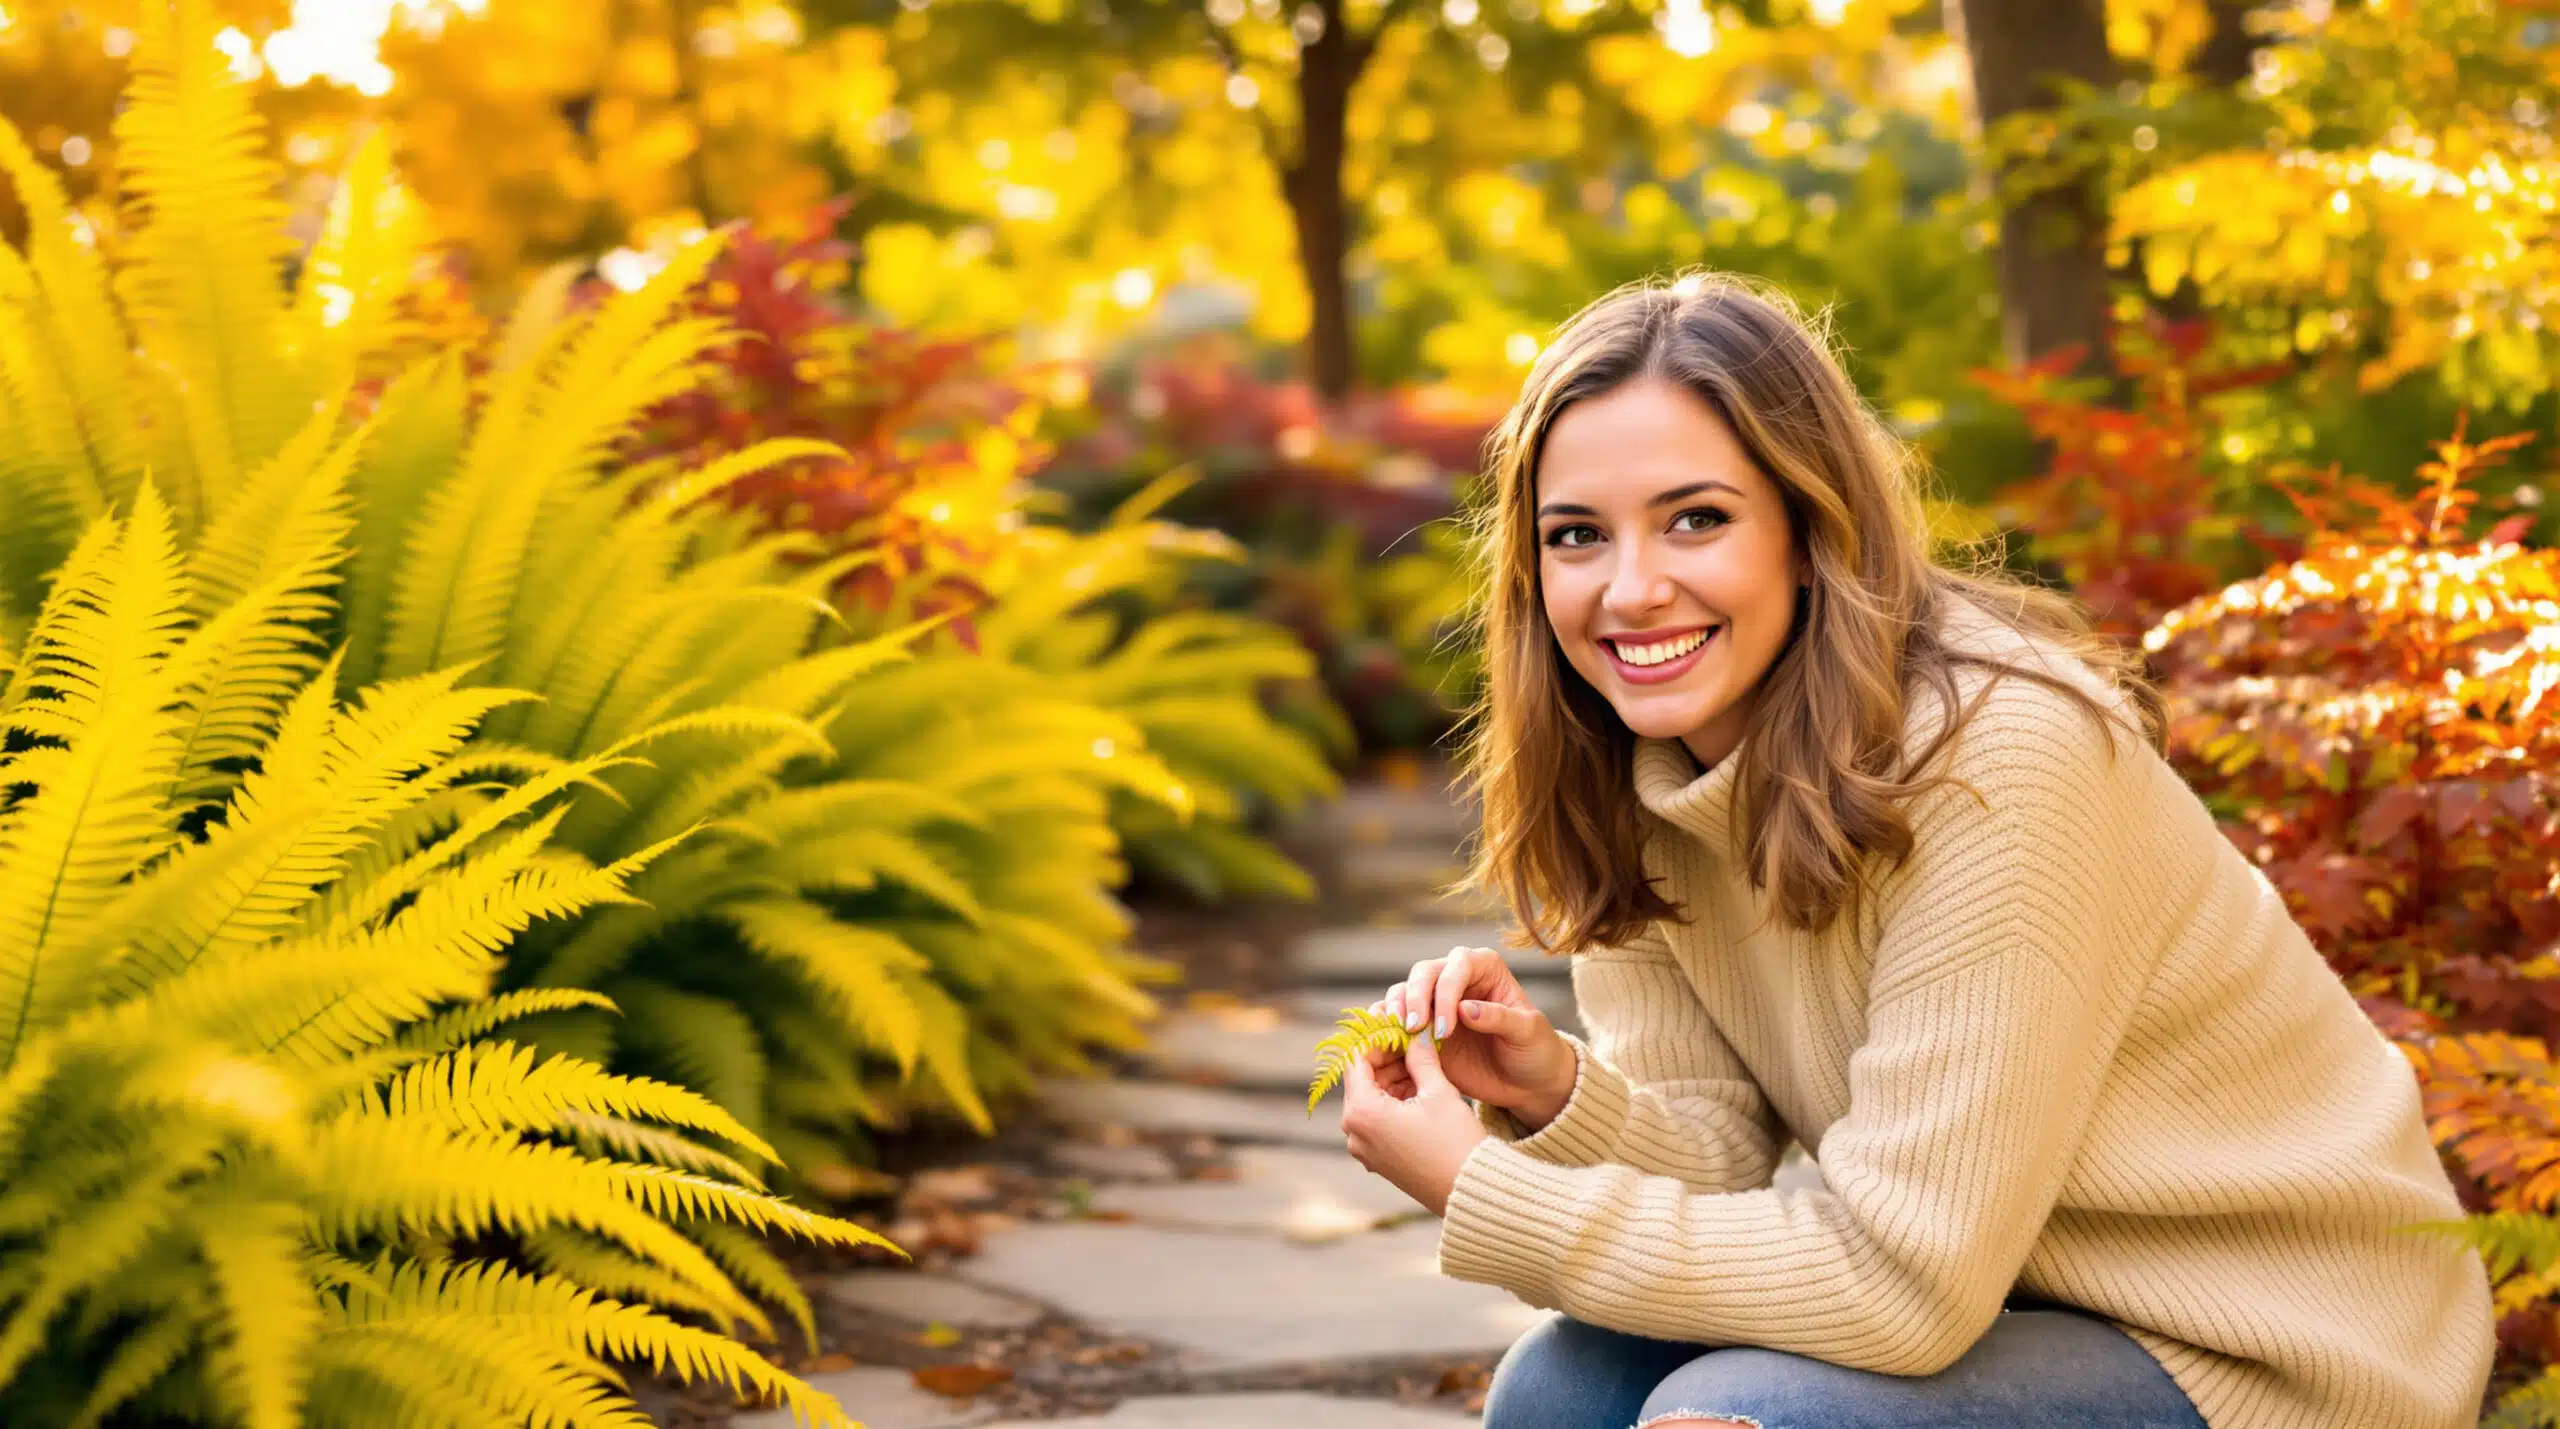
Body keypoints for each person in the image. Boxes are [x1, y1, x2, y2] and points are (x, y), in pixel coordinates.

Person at [1332, 275, 2495, 1429]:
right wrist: (1549, 1093)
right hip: (2023, 1304)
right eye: (1577, 535)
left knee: (1734, 1414)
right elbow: (1713, 1156)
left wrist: (1476, 1187)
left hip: (2278, 1348)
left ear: (1809, 529)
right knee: (1562, 1390)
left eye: (1696, 519)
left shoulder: (2001, 756)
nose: (1631, 591)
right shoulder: (1641, 769)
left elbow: (1903, 1288)